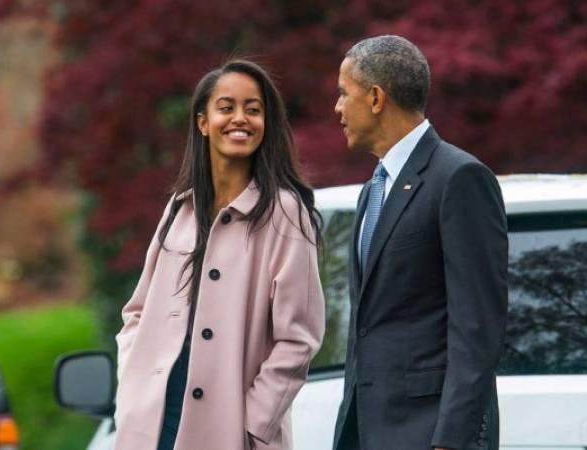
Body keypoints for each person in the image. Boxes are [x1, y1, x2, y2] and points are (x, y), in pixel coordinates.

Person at [113, 59, 325, 450]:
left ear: (267, 124)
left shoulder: (285, 214)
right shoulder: (180, 209)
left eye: (254, 109)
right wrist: (133, 385)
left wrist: (254, 421)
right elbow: (136, 312)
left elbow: (300, 338)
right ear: (203, 122)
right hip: (151, 425)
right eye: (226, 107)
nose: (240, 118)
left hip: (231, 431)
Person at [332, 35, 508, 450]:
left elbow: (478, 326)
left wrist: (450, 440)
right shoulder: (372, 191)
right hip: (367, 433)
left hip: (431, 436)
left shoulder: (460, 178)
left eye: (343, 93)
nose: (337, 108)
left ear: (376, 98)